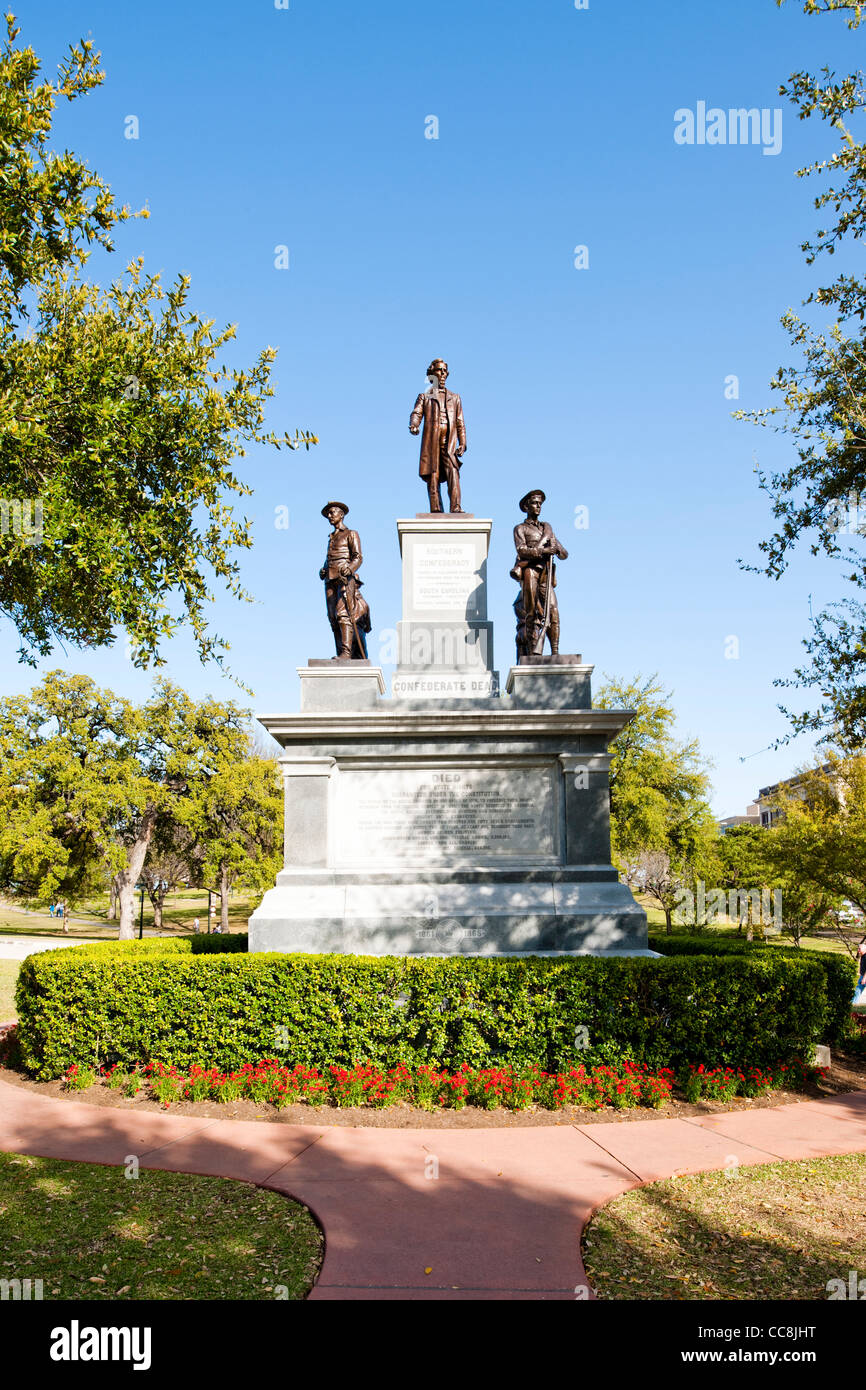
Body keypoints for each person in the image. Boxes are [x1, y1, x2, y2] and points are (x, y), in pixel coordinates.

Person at [510, 490, 569, 659]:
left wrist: (557, 549)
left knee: (553, 611)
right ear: (526, 506)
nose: (538, 507)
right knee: (531, 613)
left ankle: (555, 652)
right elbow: (521, 550)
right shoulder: (520, 528)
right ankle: (533, 651)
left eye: (540, 504)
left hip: (546, 573)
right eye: (535, 503)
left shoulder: (547, 529)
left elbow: (564, 554)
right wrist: (543, 550)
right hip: (531, 572)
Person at [409, 359, 467, 513]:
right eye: (439, 370)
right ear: (432, 374)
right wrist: (414, 425)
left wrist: (463, 442)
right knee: (433, 474)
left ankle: (456, 507)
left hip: (449, 441)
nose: (442, 374)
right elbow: (417, 413)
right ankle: (436, 508)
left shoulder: (455, 398)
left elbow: (460, 422)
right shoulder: (425, 396)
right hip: (432, 441)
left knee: (453, 472)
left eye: (444, 371)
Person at [319, 502, 371, 659]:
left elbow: (358, 557)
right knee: (333, 617)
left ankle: (346, 653)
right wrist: (323, 569)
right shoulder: (331, 537)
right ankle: (339, 652)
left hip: (344, 579)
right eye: (328, 513)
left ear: (341, 514)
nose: (330, 515)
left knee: (343, 614)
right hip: (330, 580)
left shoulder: (351, 533)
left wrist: (350, 568)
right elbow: (330, 558)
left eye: (332, 512)